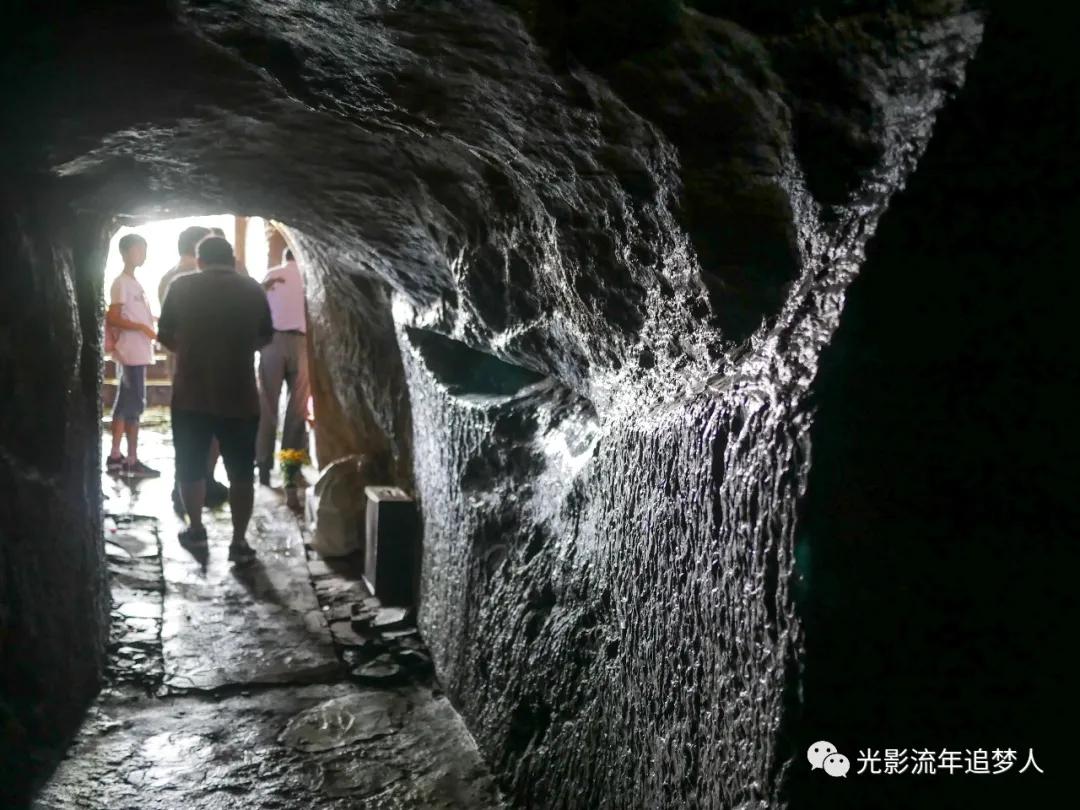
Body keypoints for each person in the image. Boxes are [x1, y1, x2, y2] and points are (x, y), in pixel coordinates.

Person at [158, 236, 274, 563]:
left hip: (191, 394)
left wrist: (195, 350)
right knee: (241, 472)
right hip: (240, 395)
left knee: (190, 466)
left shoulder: (181, 287)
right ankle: (239, 542)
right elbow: (265, 336)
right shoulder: (252, 289)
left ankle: (195, 529)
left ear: (200, 260)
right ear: (233, 259)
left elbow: (165, 335)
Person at [159, 224, 229, 509]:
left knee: (185, 429)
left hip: (182, 366)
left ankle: (184, 484)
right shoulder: (202, 280)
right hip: (212, 365)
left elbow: (166, 330)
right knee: (213, 427)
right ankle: (205, 481)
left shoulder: (167, 278)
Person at [105, 234, 160, 477]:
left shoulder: (134, 282)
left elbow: (134, 314)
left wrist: (151, 322)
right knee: (134, 406)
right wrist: (142, 328)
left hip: (137, 351)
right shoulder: (121, 283)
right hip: (130, 351)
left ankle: (117, 456)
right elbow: (113, 316)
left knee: (125, 404)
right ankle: (130, 459)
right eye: (139, 249)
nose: (143, 254)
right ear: (126, 252)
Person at [256, 248, 310, 486]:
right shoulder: (308, 275)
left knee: (267, 405)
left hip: (272, 342)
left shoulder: (271, 274)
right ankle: (290, 470)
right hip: (300, 342)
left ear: (285, 255)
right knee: (297, 409)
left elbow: (257, 307)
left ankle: (264, 467)